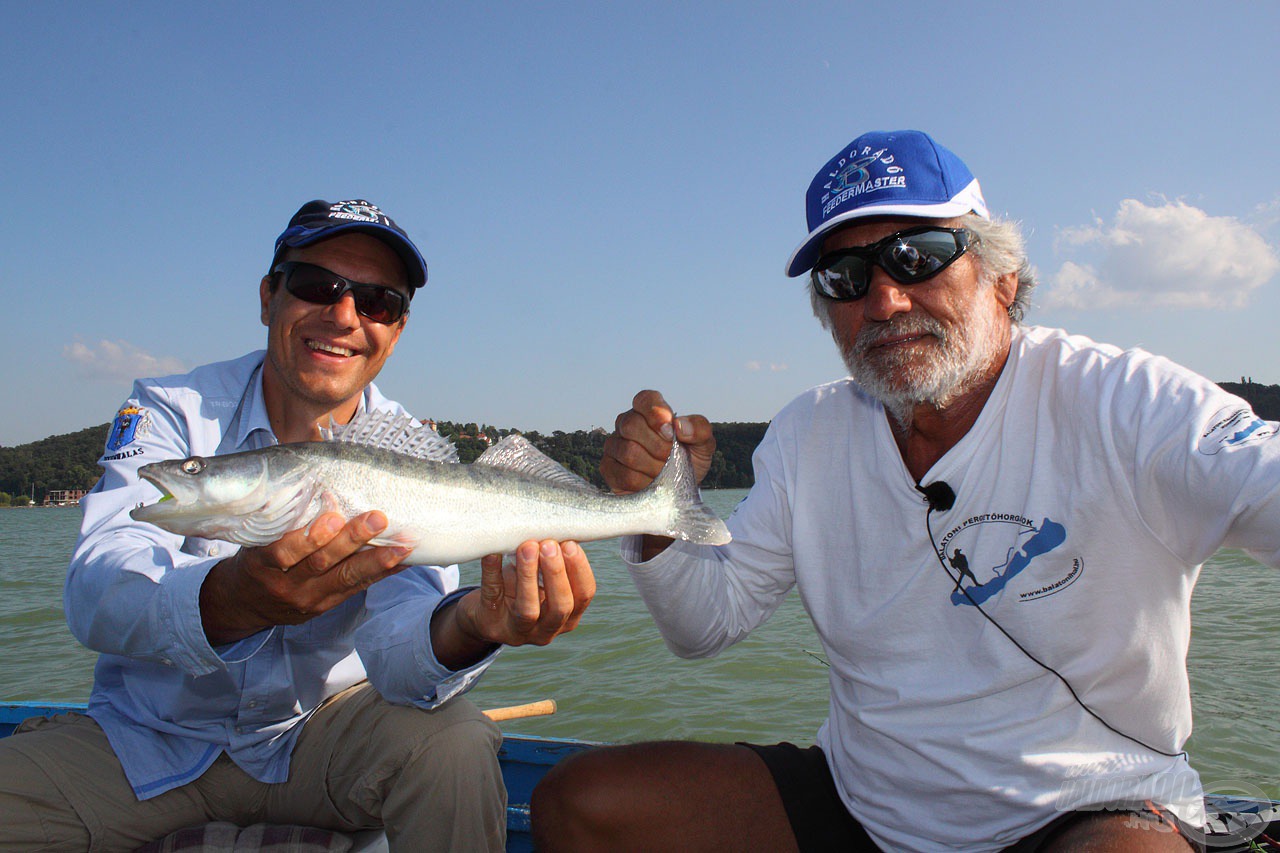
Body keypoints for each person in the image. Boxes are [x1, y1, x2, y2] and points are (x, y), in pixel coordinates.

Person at [530, 131, 1280, 851]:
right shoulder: (807, 433)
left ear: (1002, 278)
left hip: (1090, 807)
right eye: (846, 276)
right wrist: (662, 511)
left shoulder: (1126, 401)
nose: (884, 299)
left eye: (917, 256)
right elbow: (704, 625)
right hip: (866, 803)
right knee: (578, 805)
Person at [0, 199, 596, 852]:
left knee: (455, 744)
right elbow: (98, 584)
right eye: (317, 285)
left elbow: (401, 655)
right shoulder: (170, 410)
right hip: (148, 743)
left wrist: (476, 623)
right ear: (268, 295)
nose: (344, 316)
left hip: (321, 739)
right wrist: (229, 600)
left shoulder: (399, 455)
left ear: (396, 330)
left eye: (378, 301)